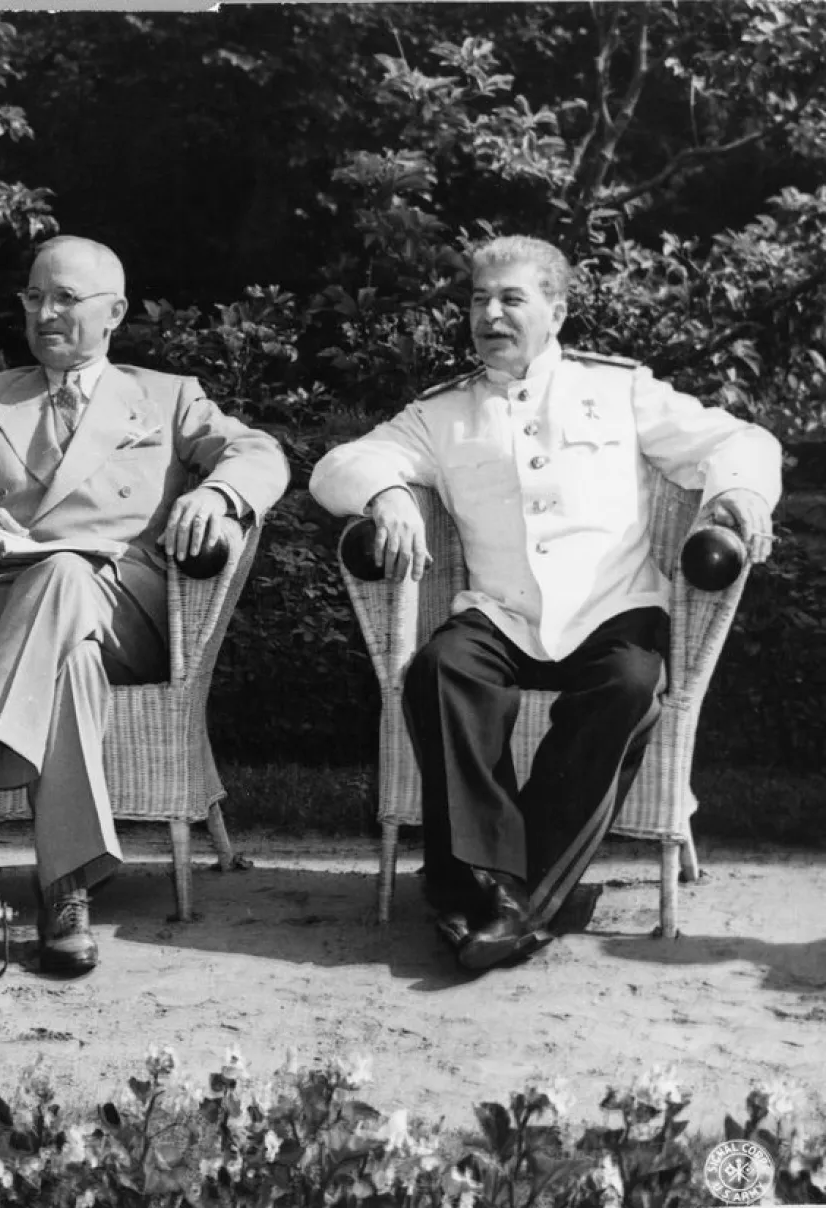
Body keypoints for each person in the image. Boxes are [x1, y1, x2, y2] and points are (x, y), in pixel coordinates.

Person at [311, 235, 781, 973]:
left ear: (556, 311)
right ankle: (503, 888)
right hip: (501, 613)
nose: (489, 314)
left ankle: (505, 896)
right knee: (440, 669)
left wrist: (738, 491)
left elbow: (737, 439)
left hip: (611, 611)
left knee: (630, 685)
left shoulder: (620, 390)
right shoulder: (444, 413)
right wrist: (388, 493)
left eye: (511, 299)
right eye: (477, 299)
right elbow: (340, 464)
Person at [0, 235, 288, 976]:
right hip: (4, 616)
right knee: (70, 655)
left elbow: (260, 453)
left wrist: (218, 493)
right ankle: (65, 890)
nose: (45, 312)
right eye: (34, 297)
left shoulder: (169, 396)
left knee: (67, 573)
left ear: (115, 311)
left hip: (129, 611)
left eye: (67, 298)